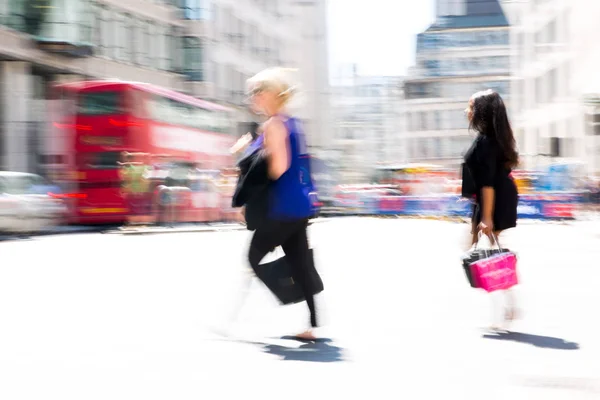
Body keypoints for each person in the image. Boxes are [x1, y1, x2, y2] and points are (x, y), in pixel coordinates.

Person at [239, 67, 319, 340]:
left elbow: (278, 167)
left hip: (280, 208)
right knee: (298, 261)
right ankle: (311, 325)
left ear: (271, 94)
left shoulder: (274, 124)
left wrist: (257, 159)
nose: (253, 98)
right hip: (299, 206)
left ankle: (287, 293)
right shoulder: (293, 123)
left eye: (257, 92)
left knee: (252, 258)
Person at [462, 89, 520, 324]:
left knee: (491, 256)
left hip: (493, 200)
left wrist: (486, 217)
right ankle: (505, 306)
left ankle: (506, 307)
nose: (466, 111)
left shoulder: (486, 142)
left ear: (480, 113)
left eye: (470, 107)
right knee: (486, 253)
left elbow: (487, 184)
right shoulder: (493, 138)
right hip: (493, 198)